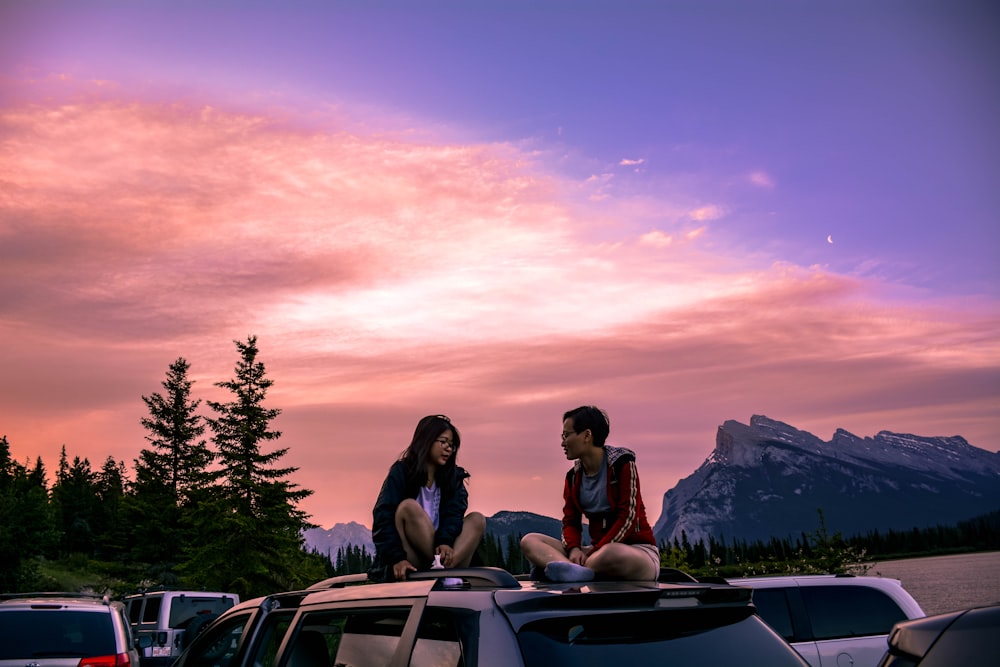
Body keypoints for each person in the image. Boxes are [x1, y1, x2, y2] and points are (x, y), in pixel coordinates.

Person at [520, 405, 659, 582]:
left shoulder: (622, 465)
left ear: (587, 435)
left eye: (566, 435)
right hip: (595, 554)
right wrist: (574, 550)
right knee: (530, 540)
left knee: (611, 553)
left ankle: (573, 571)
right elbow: (570, 521)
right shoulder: (573, 477)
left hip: (634, 553)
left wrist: (595, 552)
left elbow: (628, 518)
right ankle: (574, 571)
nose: (563, 443)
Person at [369, 414, 486, 582]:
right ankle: (446, 574)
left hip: (446, 554)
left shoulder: (452, 478)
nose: (448, 449)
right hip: (412, 557)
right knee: (408, 507)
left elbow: (454, 515)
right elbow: (383, 517)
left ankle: (445, 571)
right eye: (443, 442)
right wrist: (396, 558)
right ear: (426, 440)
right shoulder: (402, 472)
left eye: (451, 445)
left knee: (477, 519)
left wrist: (445, 541)